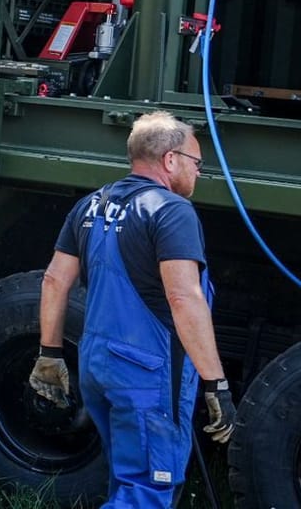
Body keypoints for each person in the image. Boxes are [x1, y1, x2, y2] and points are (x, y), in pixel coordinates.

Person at [28, 112, 236, 509]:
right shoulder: (171, 211)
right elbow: (184, 298)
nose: (198, 173)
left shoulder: (92, 204)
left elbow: (55, 280)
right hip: (146, 375)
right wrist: (216, 384)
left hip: (97, 366)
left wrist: (50, 355)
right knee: (148, 492)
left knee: (127, 479)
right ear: (170, 160)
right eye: (197, 163)